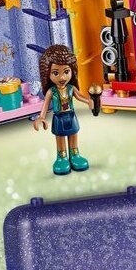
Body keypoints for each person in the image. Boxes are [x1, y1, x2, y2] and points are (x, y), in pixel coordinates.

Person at [34, 45, 93, 175]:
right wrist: (41, 117)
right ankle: (62, 157)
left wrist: (89, 101)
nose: (62, 77)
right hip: (58, 117)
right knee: (60, 137)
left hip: (71, 115)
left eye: (66, 72)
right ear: (47, 73)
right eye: (56, 73)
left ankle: (75, 155)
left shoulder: (71, 88)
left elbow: (80, 96)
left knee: (74, 134)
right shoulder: (51, 91)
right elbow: (45, 105)